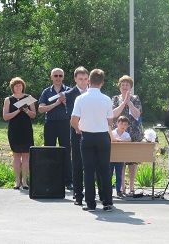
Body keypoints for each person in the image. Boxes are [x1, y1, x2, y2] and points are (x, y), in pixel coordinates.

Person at [71, 68, 114, 212]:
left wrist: (78, 129)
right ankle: (107, 202)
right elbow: (110, 121)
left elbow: (73, 120)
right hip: (102, 137)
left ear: (89, 81)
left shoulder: (81, 98)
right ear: (102, 83)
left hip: (87, 136)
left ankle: (90, 204)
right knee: (104, 169)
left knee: (88, 170)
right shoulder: (107, 99)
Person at [38, 68, 73, 190]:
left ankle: (68, 181)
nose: (58, 78)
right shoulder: (46, 91)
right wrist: (56, 103)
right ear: (51, 77)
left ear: (63, 77)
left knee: (66, 152)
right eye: (55, 75)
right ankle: (50, 179)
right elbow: (41, 109)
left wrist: (65, 102)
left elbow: (75, 107)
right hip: (50, 124)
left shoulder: (69, 90)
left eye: (60, 75)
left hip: (65, 124)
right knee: (50, 151)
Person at [62, 66, 89, 205]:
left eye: (85, 79)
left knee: (90, 165)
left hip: (92, 133)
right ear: (75, 79)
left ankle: (90, 192)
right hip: (77, 132)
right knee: (77, 164)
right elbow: (70, 115)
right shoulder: (70, 94)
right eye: (80, 79)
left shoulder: (93, 93)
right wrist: (79, 128)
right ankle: (78, 194)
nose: (83, 82)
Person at [3, 77, 36, 190]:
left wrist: (26, 110)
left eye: (20, 85)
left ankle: (25, 181)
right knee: (16, 156)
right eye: (16, 85)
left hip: (26, 130)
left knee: (26, 156)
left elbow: (33, 115)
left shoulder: (28, 98)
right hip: (14, 130)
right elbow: (5, 117)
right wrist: (18, 110)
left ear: (23, 86)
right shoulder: (8, 99)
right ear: (13, 87)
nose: (18, 87)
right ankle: (17, 181)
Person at [112, 75, 142, 196]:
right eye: (122, 85)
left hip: (134, 132)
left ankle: (132, 186)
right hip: (119, 134)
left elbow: (137, 114)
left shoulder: (135, 98)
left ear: (131, 87)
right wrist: (123, 102)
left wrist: (129, 102)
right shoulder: (115, 99)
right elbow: (113, 114)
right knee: (121, 161)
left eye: (127, 85)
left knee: (132, 161)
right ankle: (122, 186)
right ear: (119, 86)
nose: (125, 87)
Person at [110, 116, 131, 198]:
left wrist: (119, 140)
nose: (123, 126)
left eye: (125, 124)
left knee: (119, 175)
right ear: (117, 124)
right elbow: (111, 140)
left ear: (127, 126)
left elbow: (129, 140)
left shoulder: (126, 134)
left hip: (120, 157)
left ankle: (119, 191)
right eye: (121, 123)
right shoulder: (112, 132)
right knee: (109, 174)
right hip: (111, 157)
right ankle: (109, 191)